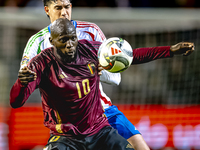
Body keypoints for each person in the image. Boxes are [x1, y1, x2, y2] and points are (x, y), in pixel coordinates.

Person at [19, 0, 194, 149]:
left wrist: (169, 51)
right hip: (67, 124)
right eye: (58, 8)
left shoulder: (90, 31)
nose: (64, 12)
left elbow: (115, 74)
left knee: (141, 146)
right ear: (47, 10)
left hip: (102, 112)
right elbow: (25, 79)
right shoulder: (36, 43)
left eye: (67, 6)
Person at [10, 18, 136, 150]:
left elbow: (130, 55)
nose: (70, 44)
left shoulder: (88, 49)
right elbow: (16, 101)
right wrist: (22, 83)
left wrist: (157, 52)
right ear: (51, 42)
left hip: (99, 130)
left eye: (73, 38)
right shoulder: (41, 63)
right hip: (66, 136)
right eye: (64, 40)